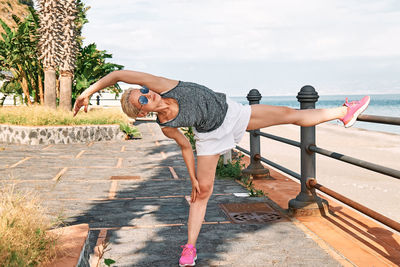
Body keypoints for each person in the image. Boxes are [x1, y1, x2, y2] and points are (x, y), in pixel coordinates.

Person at [73, 70, 370, 267]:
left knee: (290, 115)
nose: (148, 94)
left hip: (233, 114)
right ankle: (189, 249)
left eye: (144, 91)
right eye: (142, 99)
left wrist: (88, 91)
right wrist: (192, 178)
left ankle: (345, 112)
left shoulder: (164, 87)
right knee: (201, 194)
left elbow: (119, 74)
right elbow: (186, 147)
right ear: (142, 111)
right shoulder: (166, 125)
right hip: (209, 138)